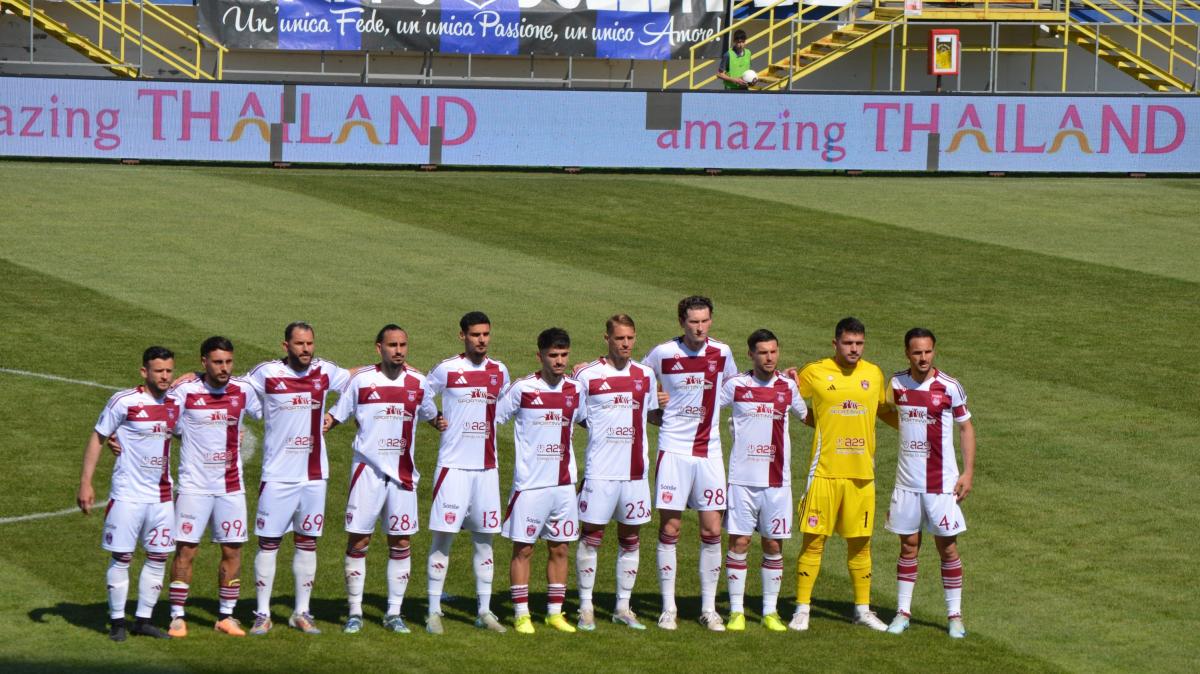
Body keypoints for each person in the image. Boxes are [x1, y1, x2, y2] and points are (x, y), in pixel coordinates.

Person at [326, 325, 445, 635]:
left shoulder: (418, 383)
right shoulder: (362, 381)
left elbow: (433, 416)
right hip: (366, 473)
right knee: (359, 540)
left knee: (401, 542)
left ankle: (393, 613)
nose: (399, 350)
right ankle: (354, 612)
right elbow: (334, 417)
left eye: (403, 344)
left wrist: (449, 421)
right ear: (378, 347)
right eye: (392, 344)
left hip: (403, 476)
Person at [244, 321, 350, 635]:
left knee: (307, 543)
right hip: (277, 476)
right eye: (300, 344)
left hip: (315, 476)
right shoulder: (267, 373)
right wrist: (192, 377)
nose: (306, 349)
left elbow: (356, 384)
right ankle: (262, 613)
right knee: (269, 544)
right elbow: (232, 385)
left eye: (310, 344)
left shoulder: (324, 371)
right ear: (285, 345)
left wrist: (337, 415)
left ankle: (302, 612)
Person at [642, 296, 739, 631]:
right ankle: (668, 608)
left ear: (711, 320)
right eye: (693, 322)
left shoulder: (723, 353)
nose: (699, 328)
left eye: (704, 321)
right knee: (670, 529)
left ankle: (709, 608)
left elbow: (735, 388)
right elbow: (638, 382)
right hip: (674, 451)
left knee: (712, 530)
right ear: (681, 321)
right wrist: (653, 410)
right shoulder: (663, 353)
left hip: (709, 452)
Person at [790, 317, 889, 631]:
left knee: (861, 545)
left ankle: (862, 609)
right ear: (835, 344)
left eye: (859, 343)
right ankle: (802, 608)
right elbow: (788, 397)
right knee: (813, 541)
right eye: (848, 343)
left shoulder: (873, 374)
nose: (854, 349)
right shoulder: (815, 372)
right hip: (824, 473)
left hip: (861, 476)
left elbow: (884, 410)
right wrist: (816, 423)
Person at [78, 346, 180, 641]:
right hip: (127, 495)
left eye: (168, 370)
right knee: (122, 556)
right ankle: (118, 621)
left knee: (158, 557)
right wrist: (86, 482)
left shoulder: (175, 403)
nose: (164, 376)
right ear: (144, 371)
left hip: (161, 496)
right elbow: (98, 437)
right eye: (158, 370)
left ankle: (144, 620)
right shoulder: (124, 402)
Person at [165, 337, 262, 638]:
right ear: (203, 361)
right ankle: (177, 616)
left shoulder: (243, 390)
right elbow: (160, 418)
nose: (224, 368)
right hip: (194, 487)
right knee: (186, 551)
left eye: (228, 362)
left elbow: (274, 410)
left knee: (232, 551)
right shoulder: (185, 390)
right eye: (218, 362)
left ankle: (227, 616)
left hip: (231, 487)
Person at [883, 328, 975, 639]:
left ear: (934, 351)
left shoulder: (950, 387)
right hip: (907, 483)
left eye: (928, 352)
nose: (923, 358)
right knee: (908, 547)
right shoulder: (896, 384)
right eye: (917, 352)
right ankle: (902, 612)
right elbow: (882, 410)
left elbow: (966, 428)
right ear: (907, 353)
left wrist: (967, 473)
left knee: (947, 548)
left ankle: (955, 616)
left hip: (941, 484)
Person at [423, 311, 511, 634]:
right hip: (453, 468)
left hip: (487, 469)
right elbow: (419, 393)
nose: (482, 340)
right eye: (475, 334)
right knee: (442, 538)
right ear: (463, 336)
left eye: (486, 334)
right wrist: (433, 418)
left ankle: (485, 611)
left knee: (484, 542)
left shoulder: (499, 371)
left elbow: (505, 408)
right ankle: (433, 611)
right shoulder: (447, 370)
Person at [572, 314, 661, 631]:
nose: (625, 344)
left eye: (630, 338)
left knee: (631, 537)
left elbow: (651, 415)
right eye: (620, 338)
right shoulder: (588, 376)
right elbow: (578, 418)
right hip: (600, 472)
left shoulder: (645, 375)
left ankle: (623, 607)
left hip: (635, 472)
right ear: (607, 338)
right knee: (591, 537)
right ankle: (585, 607)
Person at [495, 328, 586, 634]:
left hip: (563, 485)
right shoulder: (522, 389)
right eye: (553, 355)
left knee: (560, 548)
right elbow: (493, 418)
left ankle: (554, 613)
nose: (559, 361)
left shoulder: (576, 389)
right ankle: (521, 614)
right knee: (524, 549)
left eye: (563, 355)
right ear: (540, 356)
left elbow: (586, 420)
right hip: (530, 485)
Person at [719, 329, 807, 632]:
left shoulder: (788, 387)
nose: (769, 358)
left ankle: (770, 611)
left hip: (777, 481)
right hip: (741, 480)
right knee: (739, 542)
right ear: (751, 355)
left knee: (772, 544)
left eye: (773, 352)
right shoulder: (735, 386)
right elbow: (704, 408)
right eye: (763, 352)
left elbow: (808, 416)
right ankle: (736, 611)